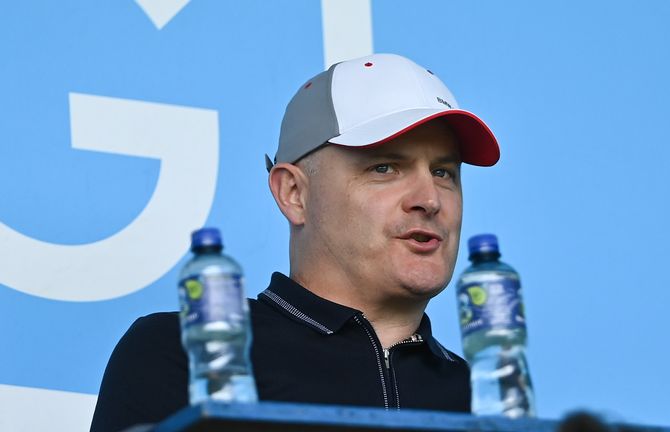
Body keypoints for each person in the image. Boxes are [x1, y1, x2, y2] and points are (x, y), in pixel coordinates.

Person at [90, 53, 500, 432]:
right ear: (293, 194)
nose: (429, 199)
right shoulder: (181, 355)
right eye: (385, 167)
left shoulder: (485, 406)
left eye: (444, 173)